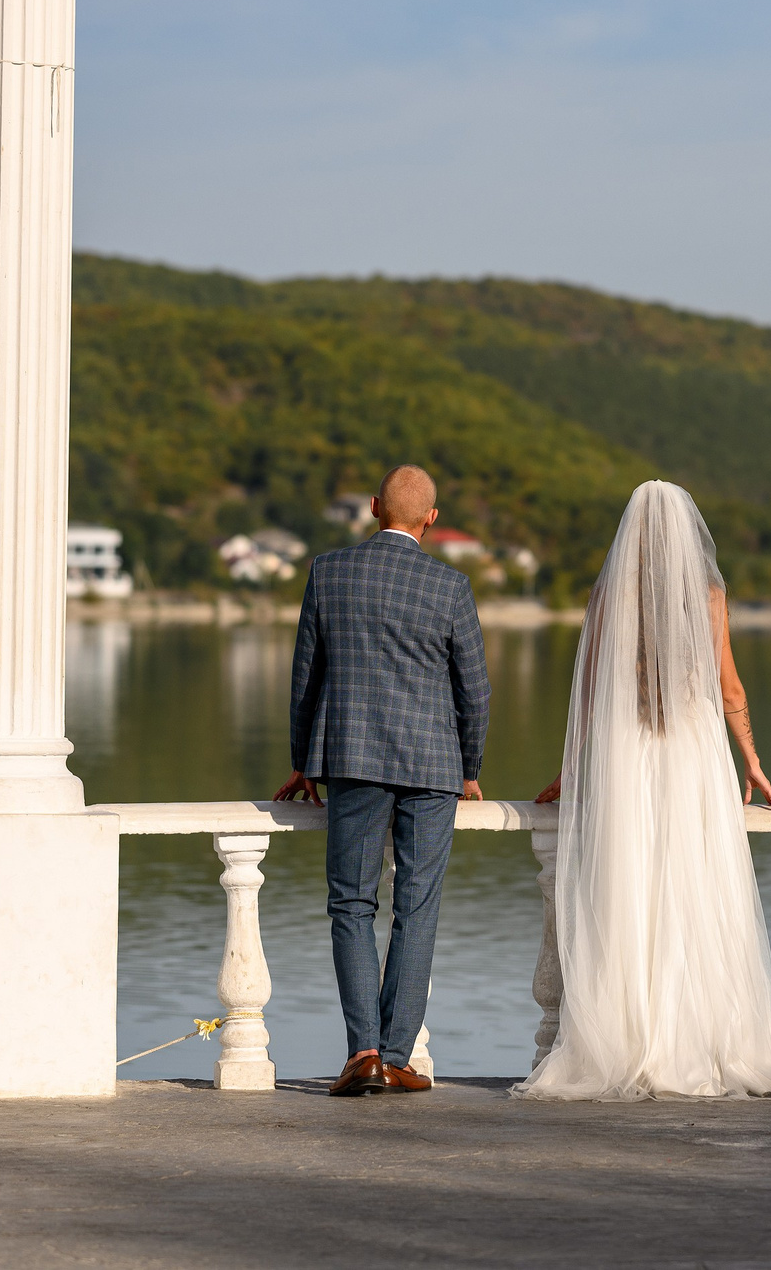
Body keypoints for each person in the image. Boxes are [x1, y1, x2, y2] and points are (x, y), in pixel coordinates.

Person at [516, 481, 771, 1102]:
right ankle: (694, 1040)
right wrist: (752, 761)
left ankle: (630, 1040)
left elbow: (589, 693)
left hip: (628, 753)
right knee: (692, 890)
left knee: (630, 890)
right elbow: (730, 688)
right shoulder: (709, 596)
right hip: (691, 756)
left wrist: (572, 770)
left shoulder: (609, 595)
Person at [275, 464, 488, 1098]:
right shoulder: (451, 585)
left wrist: (302, 760)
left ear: (373, 507)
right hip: (433, 767)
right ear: (432, 518)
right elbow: (475, 692)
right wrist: (469, 769)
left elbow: (306, 677)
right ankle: (396, 1057)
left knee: (352, 904)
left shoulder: (328, 572)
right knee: (416, 909)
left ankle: (363, 1053)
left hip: (353, 760)